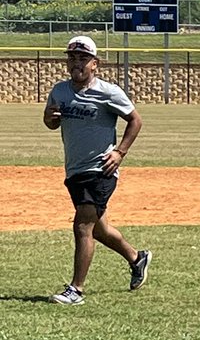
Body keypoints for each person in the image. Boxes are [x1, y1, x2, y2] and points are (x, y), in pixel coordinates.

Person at [42, 35, 152, 305]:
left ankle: (76, 290)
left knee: (82, 225)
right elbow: (51, 122)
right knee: (99, 230)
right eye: (72, 57)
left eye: (83, 58)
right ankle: (137, 258)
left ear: (95, 64)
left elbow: (135, 120)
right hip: (75, 170)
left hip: (101, 169)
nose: (77, 62)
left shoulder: (109, 92)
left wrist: (120, 152)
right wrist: (49, 119)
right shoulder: (60, 91)